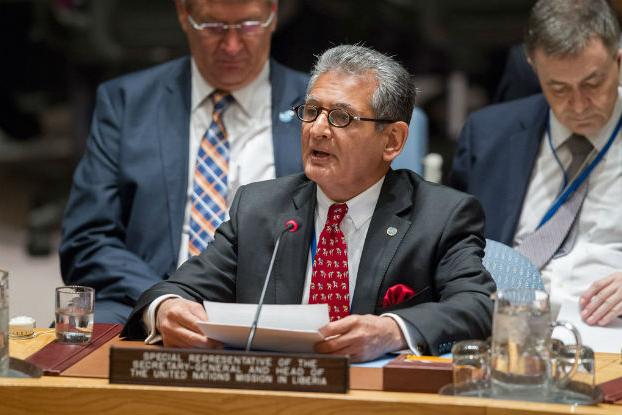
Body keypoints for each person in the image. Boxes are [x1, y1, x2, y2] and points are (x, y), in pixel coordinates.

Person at [122, 44, 495, 362]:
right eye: (312, 111)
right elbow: (174, 290)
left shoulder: (440, 215)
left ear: (392, 141)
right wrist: (166, 309)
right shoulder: (260, 207)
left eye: (341, 117)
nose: (317, 129)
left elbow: (479, 307)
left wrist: (391, 330)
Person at [60, 0, 309, 323]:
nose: (232, 46)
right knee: (73, 340)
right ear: (183, 15)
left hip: (278, 313)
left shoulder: (320, 107)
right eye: (213, 27)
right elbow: (87, 241)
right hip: (149, 301)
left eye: (248, 26)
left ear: (273, 15)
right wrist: (162, 300)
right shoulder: (127, 103)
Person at [451, 0, 622, 325]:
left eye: (592, 84)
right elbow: (452, 247)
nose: (578, 105)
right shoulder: (488, 135)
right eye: (558, 88)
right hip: (503, 326)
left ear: (618, 60)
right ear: (534, 68)